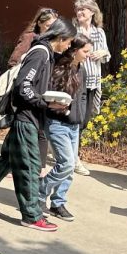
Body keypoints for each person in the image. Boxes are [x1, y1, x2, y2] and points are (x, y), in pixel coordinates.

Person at [0, 20, 76, 230]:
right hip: (27, 119)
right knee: (30, 167)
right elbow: (23, 86)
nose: (69, 47)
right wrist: (45, 103)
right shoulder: (41, 53)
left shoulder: (46, 54)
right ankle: (32, 216)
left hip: (27, 119)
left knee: (6, 161)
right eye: (69, 42)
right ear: (60, 38)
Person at [39, 34, 92, 220]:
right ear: (75, 50)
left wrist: (81, 116)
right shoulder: (60, 67)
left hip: (74, 124)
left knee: (69, 169)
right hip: (57, 122)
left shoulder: (82, 69)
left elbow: (83, 96)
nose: (88, 55)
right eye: (85, 51)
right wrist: (62, 107)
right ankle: (40, 191)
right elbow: (50, 94)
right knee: (66, 163)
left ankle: (58, 203)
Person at [72, 0, 110, 175]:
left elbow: (106, 54)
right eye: (78, 9)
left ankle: (66, 151)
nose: (80, 12)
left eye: (83, 9)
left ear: (92, 12)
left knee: (85, 120)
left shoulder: (99, 32)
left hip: (93, 81)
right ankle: (74, 158)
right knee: (77, 119)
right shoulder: (74, 31)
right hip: (77, 80)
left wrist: (102, 52)